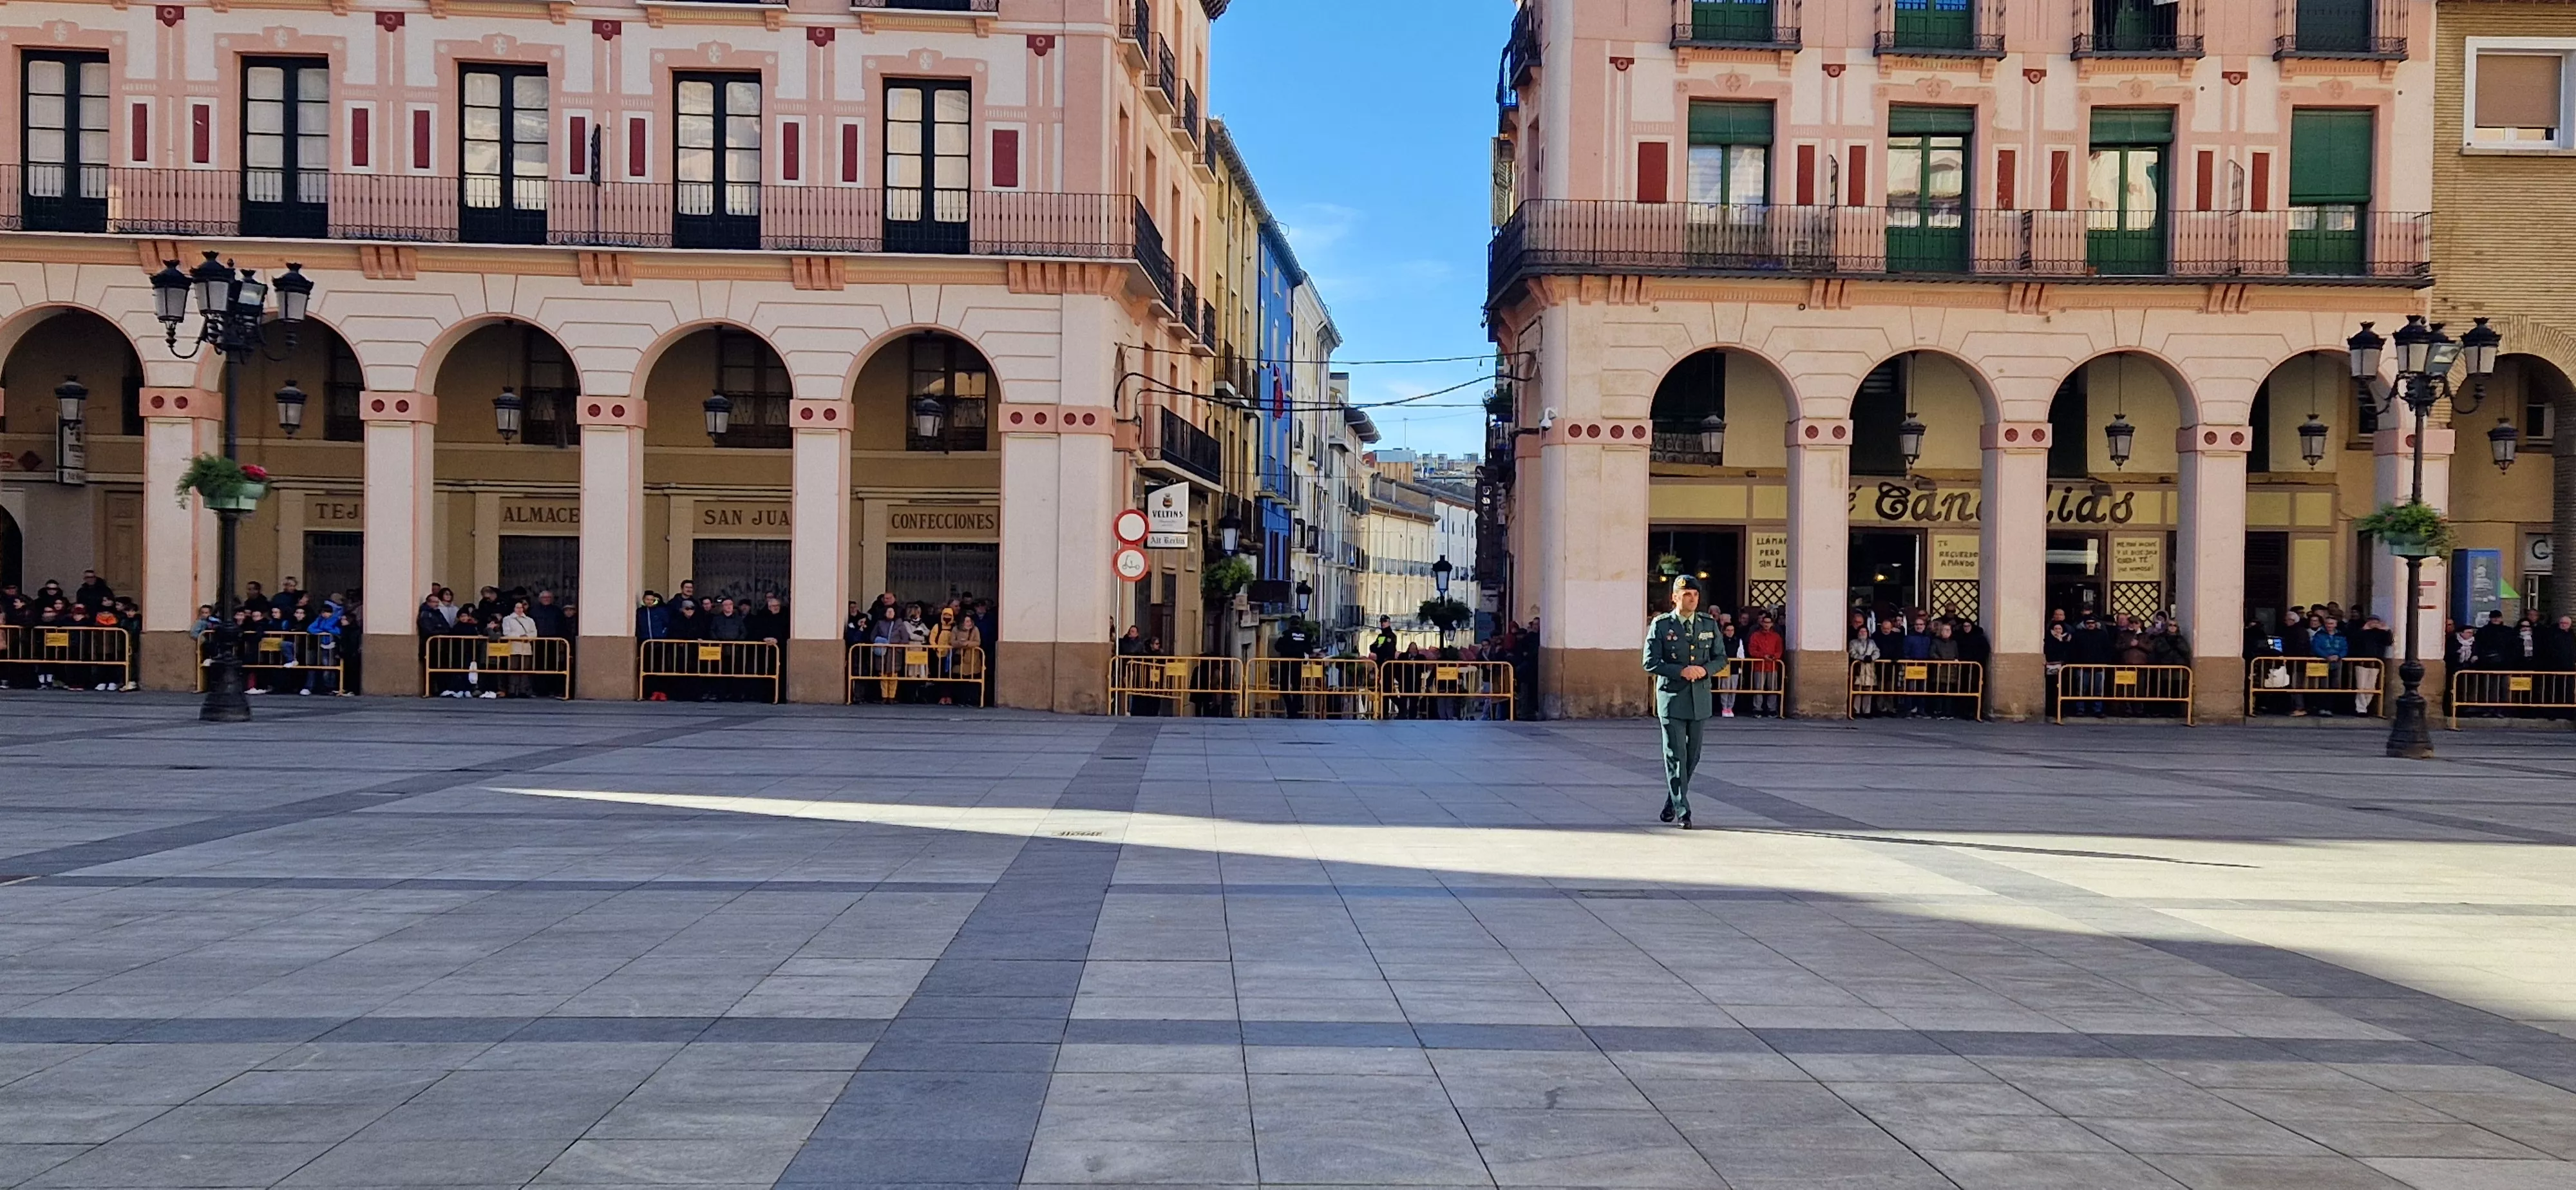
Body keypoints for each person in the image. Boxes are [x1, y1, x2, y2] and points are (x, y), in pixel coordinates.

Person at [1642, 575, 1719, 829]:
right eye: (1687, 595)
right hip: (1673, 699)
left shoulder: (1708, 623)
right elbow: (1650, 662)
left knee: (1693, 756)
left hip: (1699, 699)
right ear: (1675, 597)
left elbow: (1721, 657)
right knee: (1676, 754)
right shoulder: (1662, 625)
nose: (1692, 599)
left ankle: (1672, 801)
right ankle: (1683, 811)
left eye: (1695, 595)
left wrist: (1705, 670)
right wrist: (1680, 671)